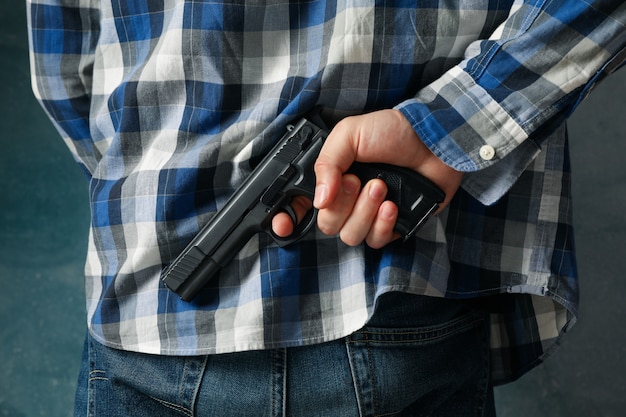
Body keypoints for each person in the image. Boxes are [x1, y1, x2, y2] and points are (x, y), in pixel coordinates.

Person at [27, 0, 625, 415]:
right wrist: (454, 128)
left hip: (147, 302)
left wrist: (433, 140)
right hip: (390, 305)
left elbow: (65, 70)